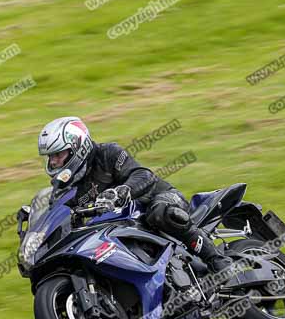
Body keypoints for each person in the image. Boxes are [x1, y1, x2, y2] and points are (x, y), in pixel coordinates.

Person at [38, 116, 233, 272]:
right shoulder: (64, 188)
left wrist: (123, 191)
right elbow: (58, 216)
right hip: (115, 228)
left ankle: (217, 260)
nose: (53, 162)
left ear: (77, 147)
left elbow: (143, 175)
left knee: (160, 213)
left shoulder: (107, 153)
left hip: (156, 200)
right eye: (50, 157)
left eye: (58, 154)